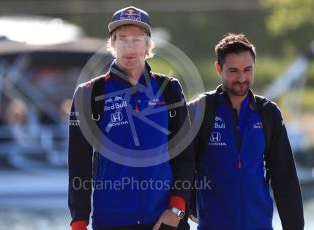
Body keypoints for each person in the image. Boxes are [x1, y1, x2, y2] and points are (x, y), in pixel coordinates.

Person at [68, 6, 194, 230]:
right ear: (113, 44)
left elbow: (185, 156)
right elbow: (79, 165)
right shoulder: (89, 93)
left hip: (165, 221)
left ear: (148, 45)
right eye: (122, 38)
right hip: (111, 221)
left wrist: (177, 209)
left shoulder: (170, 89)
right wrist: (78, 223)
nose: (129, 46)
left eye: (137, 39)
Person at [189, 33, 304, 229]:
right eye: (233, 70)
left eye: (247, 70)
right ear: (219, 68)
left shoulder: (268, 112)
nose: (241, 78)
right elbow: (180, 169)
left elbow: (284, 177)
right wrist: (188, 211)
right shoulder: (199, 110)